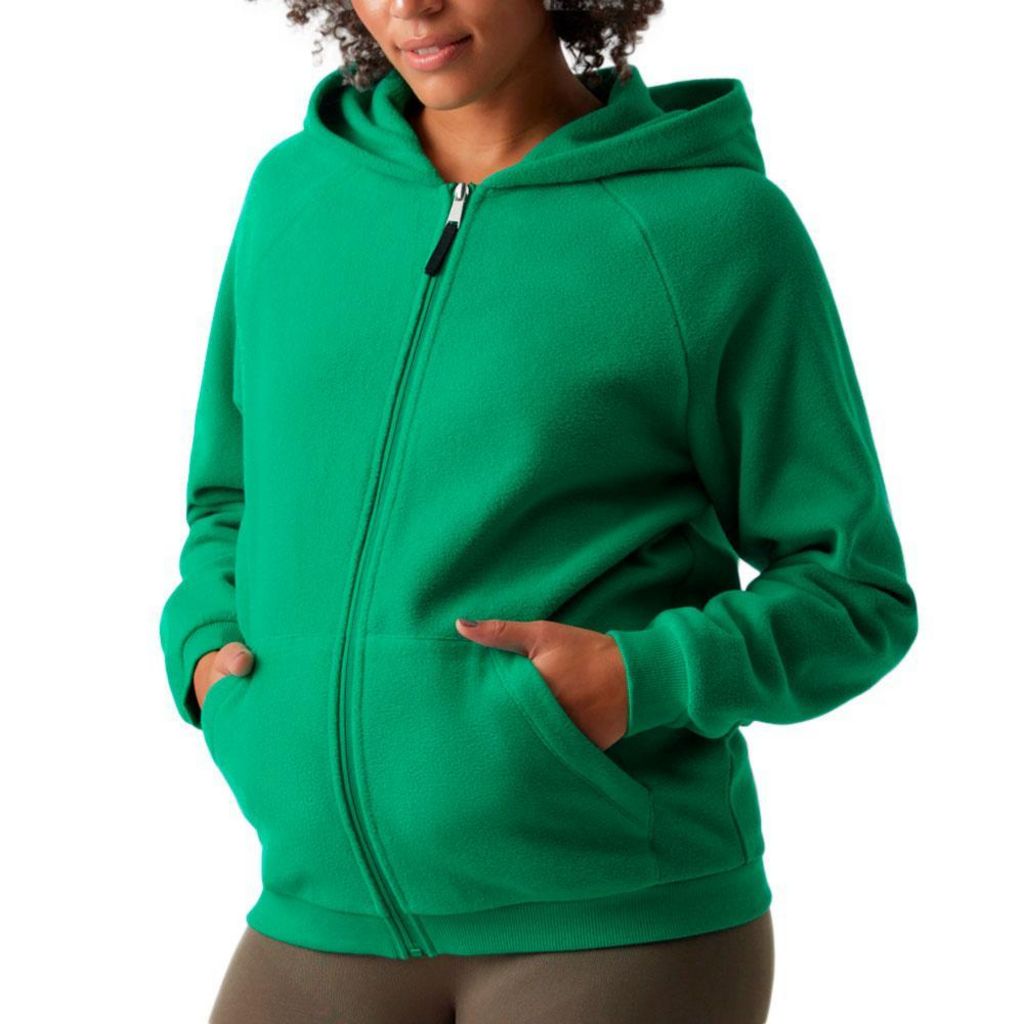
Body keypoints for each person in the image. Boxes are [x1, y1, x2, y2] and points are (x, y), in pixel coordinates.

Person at [158, 1, 918, 1021]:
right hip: (316, 911)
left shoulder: (708, 229)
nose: (411, 5)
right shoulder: (296, 194)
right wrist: (206, 651)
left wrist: (637, 678)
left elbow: (852, 587)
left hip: (615, 926)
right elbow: (230, 494)